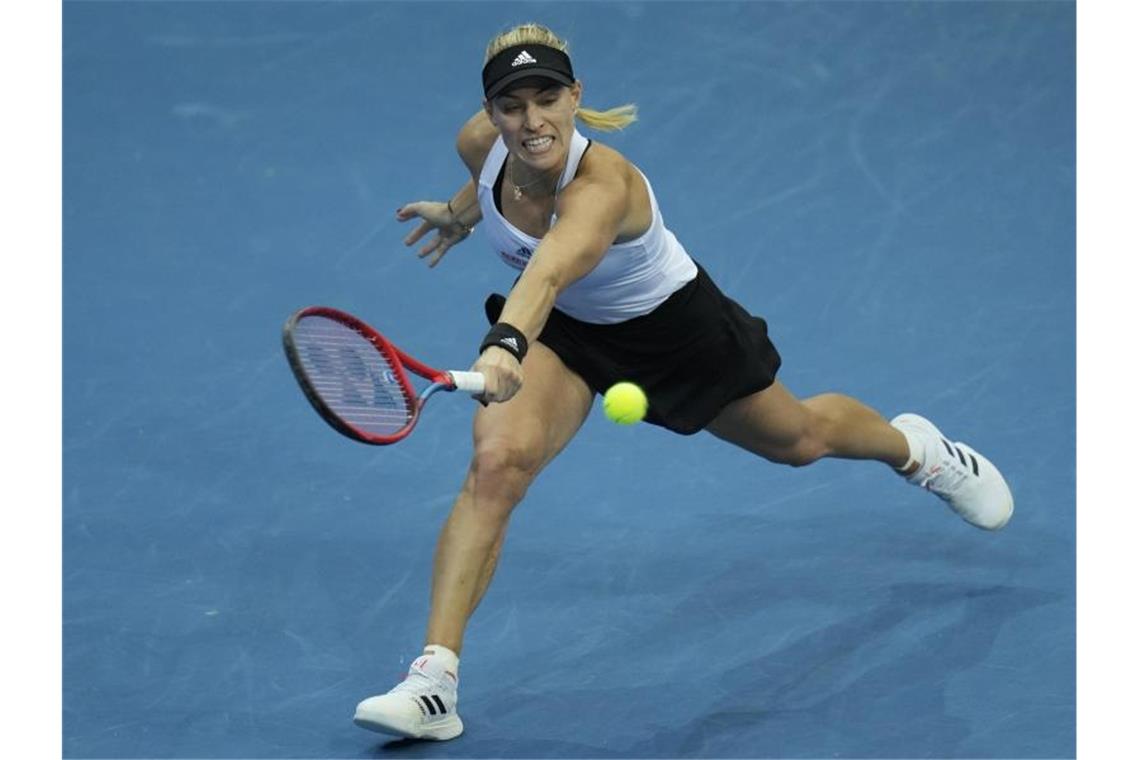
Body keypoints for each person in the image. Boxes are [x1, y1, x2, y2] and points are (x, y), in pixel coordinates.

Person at [352, 23, 1014, 742]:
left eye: (547, 99)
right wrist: (457, 214)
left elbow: (547, 269)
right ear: (491, 112)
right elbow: (500, 187)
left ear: (576, 97)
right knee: (496, 465)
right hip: (569, 332)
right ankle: (434, 682)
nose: (531, 121)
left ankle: (916, 451)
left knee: (801, 440)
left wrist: (506, 343)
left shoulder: (606, 186)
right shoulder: (480, 144)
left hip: (674, 333)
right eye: (512, 107)